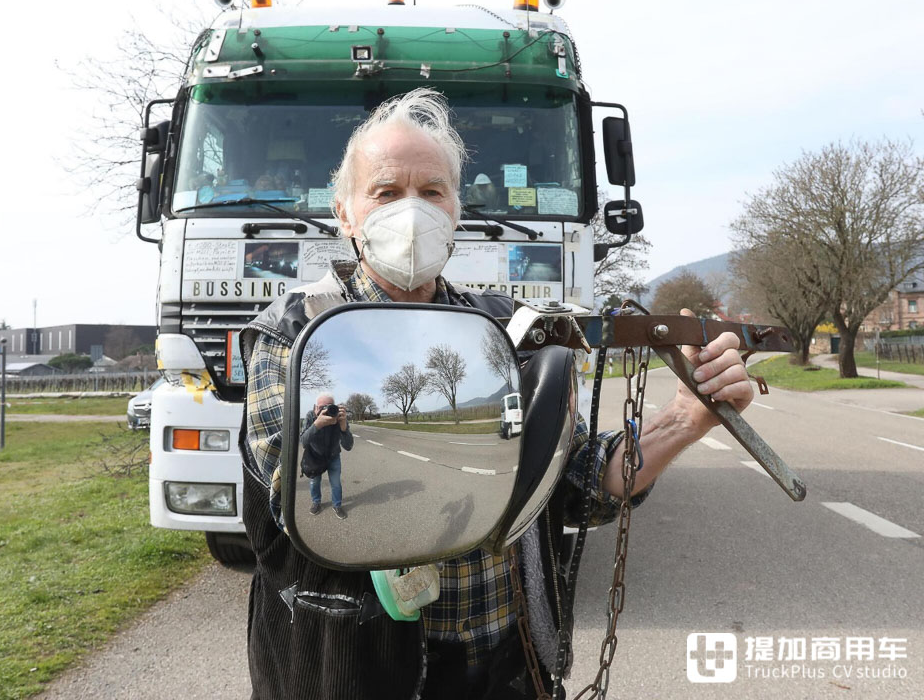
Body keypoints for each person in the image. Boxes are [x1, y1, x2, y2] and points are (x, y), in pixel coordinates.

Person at [238, 88, 754, 700]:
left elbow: (577, 482)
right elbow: (300, 503)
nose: (412, 212)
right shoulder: (293, 334)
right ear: (345, 213)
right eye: (385, 192)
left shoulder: (510, 330)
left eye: (431, 192)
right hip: (354, 666)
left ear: (456, 209)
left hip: (503, 663)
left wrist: (685, 419)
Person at [300, 393, 352, 519]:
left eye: (329, 406)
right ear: (315, 408)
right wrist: (317, 424)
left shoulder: (338, 417)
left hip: (333, 456)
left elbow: (348, 446)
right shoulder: (310, 416)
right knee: (314, 482)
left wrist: (343, 426)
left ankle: (337, 505)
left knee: (336, 483)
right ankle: (316, 502)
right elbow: (303, 442)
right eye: (322, 407)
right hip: (315, 456)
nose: (326, 410)